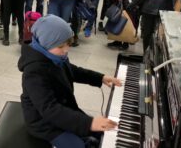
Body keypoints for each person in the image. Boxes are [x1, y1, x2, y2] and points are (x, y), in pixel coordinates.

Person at [18, 14, 121, 148]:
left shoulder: (55, 56)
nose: (66, 50)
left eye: (68, 44)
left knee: (103, 133)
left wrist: (100, 77)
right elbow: (50, 110)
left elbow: (74, 71)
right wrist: (89, 123)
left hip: (63, 110)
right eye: (61, 46)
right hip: (44, 123)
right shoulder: (34, 72)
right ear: (45, 44)